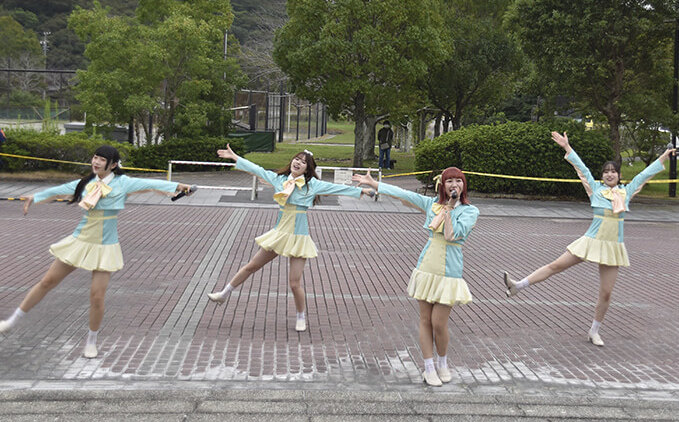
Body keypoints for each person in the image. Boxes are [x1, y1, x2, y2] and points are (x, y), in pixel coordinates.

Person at [0, 145, 193, 358]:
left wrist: (180, 186)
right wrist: (35, 197)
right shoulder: (86, 182)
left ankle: (91, 341)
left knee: (97, 296)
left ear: (113, 164)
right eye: (95, 158)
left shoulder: (124, 183)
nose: (96, 162)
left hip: (105, 246)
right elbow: (59, 190)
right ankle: (11, 322)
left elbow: (152, 184)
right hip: (80, 241)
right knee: (47, 282)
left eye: (101, 159)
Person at [502, 131, 675, 347]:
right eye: (606, 172)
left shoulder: (626, 192)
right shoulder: (595, 190)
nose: (609, 174)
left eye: (613, 171)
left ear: (619, 175)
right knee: (556, 266)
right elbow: (582, 169)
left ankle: (594, 331)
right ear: (602, 176)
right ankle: (518, 285)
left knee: (606, 293)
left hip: (612, 247)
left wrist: (663, 157)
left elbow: (643, 175)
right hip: (590, 241)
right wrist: (567, 147)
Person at [207, 145, 374, 332]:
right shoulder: (280, 180)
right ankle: (224, 294)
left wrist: (362, 191)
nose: (298, 163)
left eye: (303, 162)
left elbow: (336, 188)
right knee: (251, 266)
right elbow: (258, 170)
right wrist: (235, 157)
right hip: (279, 234)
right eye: (297, 159)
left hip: (298, 238)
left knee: (294, 283)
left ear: (307, 169)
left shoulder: (312, 185)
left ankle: (301, 316)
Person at [352, 167, 478, 387]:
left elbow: (452, 235)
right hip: (427, 266)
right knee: (425, 320)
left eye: (458, 181)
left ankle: (442, 362)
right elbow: (403, 194)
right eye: (449, 181)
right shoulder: (431, 204)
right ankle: (428, 367)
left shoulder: (470, 211)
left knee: (439, 323)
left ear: (463, 185)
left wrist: (449, 210)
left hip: (450, 270)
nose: (454, 185)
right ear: (442, 185)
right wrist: (374, 184)